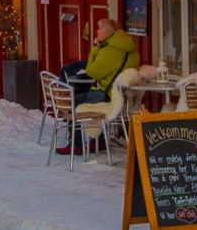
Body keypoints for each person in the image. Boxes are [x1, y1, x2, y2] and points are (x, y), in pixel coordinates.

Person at [57, 18, 137, 156]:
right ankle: (99, 142)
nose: (97, 31)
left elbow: (92, 71)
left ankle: (76, 145)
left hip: (107, 95)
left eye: (100, 29)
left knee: (73, 101)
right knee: (82, 95)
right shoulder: (127, 46)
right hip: (118, 94)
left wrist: (96, 48)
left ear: (109, 33)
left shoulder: (111, 50)